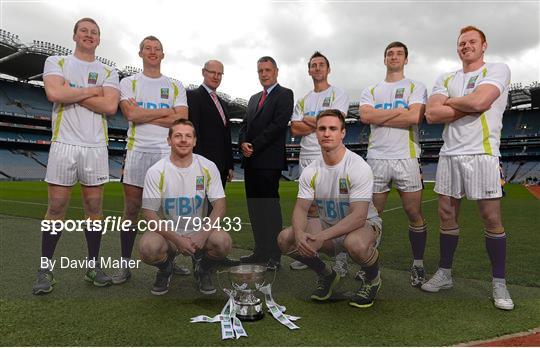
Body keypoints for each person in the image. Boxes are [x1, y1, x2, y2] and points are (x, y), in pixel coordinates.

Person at [424, 26, 513, 310]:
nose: (466, 46)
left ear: (484, 45)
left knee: (491, 218)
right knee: (446, 214)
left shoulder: (497, 69)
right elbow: (432, 113)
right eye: (462, 43)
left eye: (472, 41)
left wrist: (455, 102)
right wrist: (469, 105)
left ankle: (499, 283)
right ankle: (445, 273)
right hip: (450, 153)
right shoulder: (446, 77)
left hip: (483, 153)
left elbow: (482, 100)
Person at [32, 17, 120, 295]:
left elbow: (109, 106)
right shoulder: (56, 62)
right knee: (56, 207)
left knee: (94, 210)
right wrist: (91, 91)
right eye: (84, 31)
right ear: (75, 35)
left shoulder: (108, 69)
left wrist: (72, 92)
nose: (89, 35)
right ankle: (45, 269)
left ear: (99, 38)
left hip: (95, 146)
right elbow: (53, 92)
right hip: (64, 143)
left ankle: (93, 266)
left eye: (94, 32)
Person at [278, 109, 382, 308]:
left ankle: (372, 279)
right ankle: (327, 275)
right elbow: (301, 209)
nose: (326, 133)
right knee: (286, 239)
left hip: (363, 226)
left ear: (342, 133)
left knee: (356, 245)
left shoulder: (357, 166)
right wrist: (300, 234)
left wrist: (322, 237)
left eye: (333, 129)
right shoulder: (311, 170)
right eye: (322, 129)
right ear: (316, 133)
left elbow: (359, 217)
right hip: (327, 225)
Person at [112, 35, 189, 285]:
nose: (152, 52)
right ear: (140, 53)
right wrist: (166, 111)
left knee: (168, 212)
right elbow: (130, 114)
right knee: (131, 211)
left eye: (157, 49)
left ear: (163, 55)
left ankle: (169, 262)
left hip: (167, 154)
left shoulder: (175, 85)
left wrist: (144, 115)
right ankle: (124, 265)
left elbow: (181, 121)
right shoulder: (129, 82)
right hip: (137, 153)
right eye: (148, 48)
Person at [359, 41, 428, 287]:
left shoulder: (416, 86)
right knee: (370, 216)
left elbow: (414, 116)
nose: (394, 57)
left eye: (399, 54)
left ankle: (418, 264)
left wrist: (381, 116)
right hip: (376, 158)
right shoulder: (372, 89)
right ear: (384, 59)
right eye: (390, 53)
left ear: (406, 60)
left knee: (413, 213)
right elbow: (366, 116)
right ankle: (369, 264)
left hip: (406, 157)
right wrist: (400, 113)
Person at [139, 119, 233, 295]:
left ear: (195, 141)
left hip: (199, 232)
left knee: (223, 242)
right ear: (169, 140)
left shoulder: (207, 166)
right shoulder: (156, 171)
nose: (183, 140)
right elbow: (149, 213)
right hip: (169, 234)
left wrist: (203, 234)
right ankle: (166, 269)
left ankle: (202, 268)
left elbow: (219, 205)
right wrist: (177, 239)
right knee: (147, 248)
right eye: (178, 136)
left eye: (188, 136)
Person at [289, 51, 350, 276]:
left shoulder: (338, 94)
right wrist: (317, 122)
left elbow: (334, 122)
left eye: (321, 65)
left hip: (332, 156)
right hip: (307, 156)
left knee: (337, 207)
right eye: (313, 65)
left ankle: (341, 258)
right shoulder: (303, 99)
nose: (317, 68)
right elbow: (295, 129)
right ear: (308, 70)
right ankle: (310, 250)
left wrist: (309, 120)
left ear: (328, 69)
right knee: (311, 207)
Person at [238, 56, 294, 271]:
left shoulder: (285, 94)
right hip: (251, 161)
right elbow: (244, 126)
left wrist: (254, 145)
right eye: (260, 70)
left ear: (276, 71)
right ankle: (260, 250)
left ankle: (274, 254)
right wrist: (243, 142)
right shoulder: (253, 99)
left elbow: (278, 125)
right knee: (254, 209)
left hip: (268, 161)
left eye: (267, 70)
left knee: (270, 209)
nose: (264, 74)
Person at [187, 60, 233, 188]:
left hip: (221, 168)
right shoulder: (192, 96)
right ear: (203, 72)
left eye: (220, 74)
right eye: (212, 72)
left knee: (217, 206)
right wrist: (198, 164)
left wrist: (229, 165)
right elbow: (193, 131)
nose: (216, 76)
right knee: (200, 205)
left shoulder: (222, 103)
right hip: (201, 166)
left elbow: (226, 135)